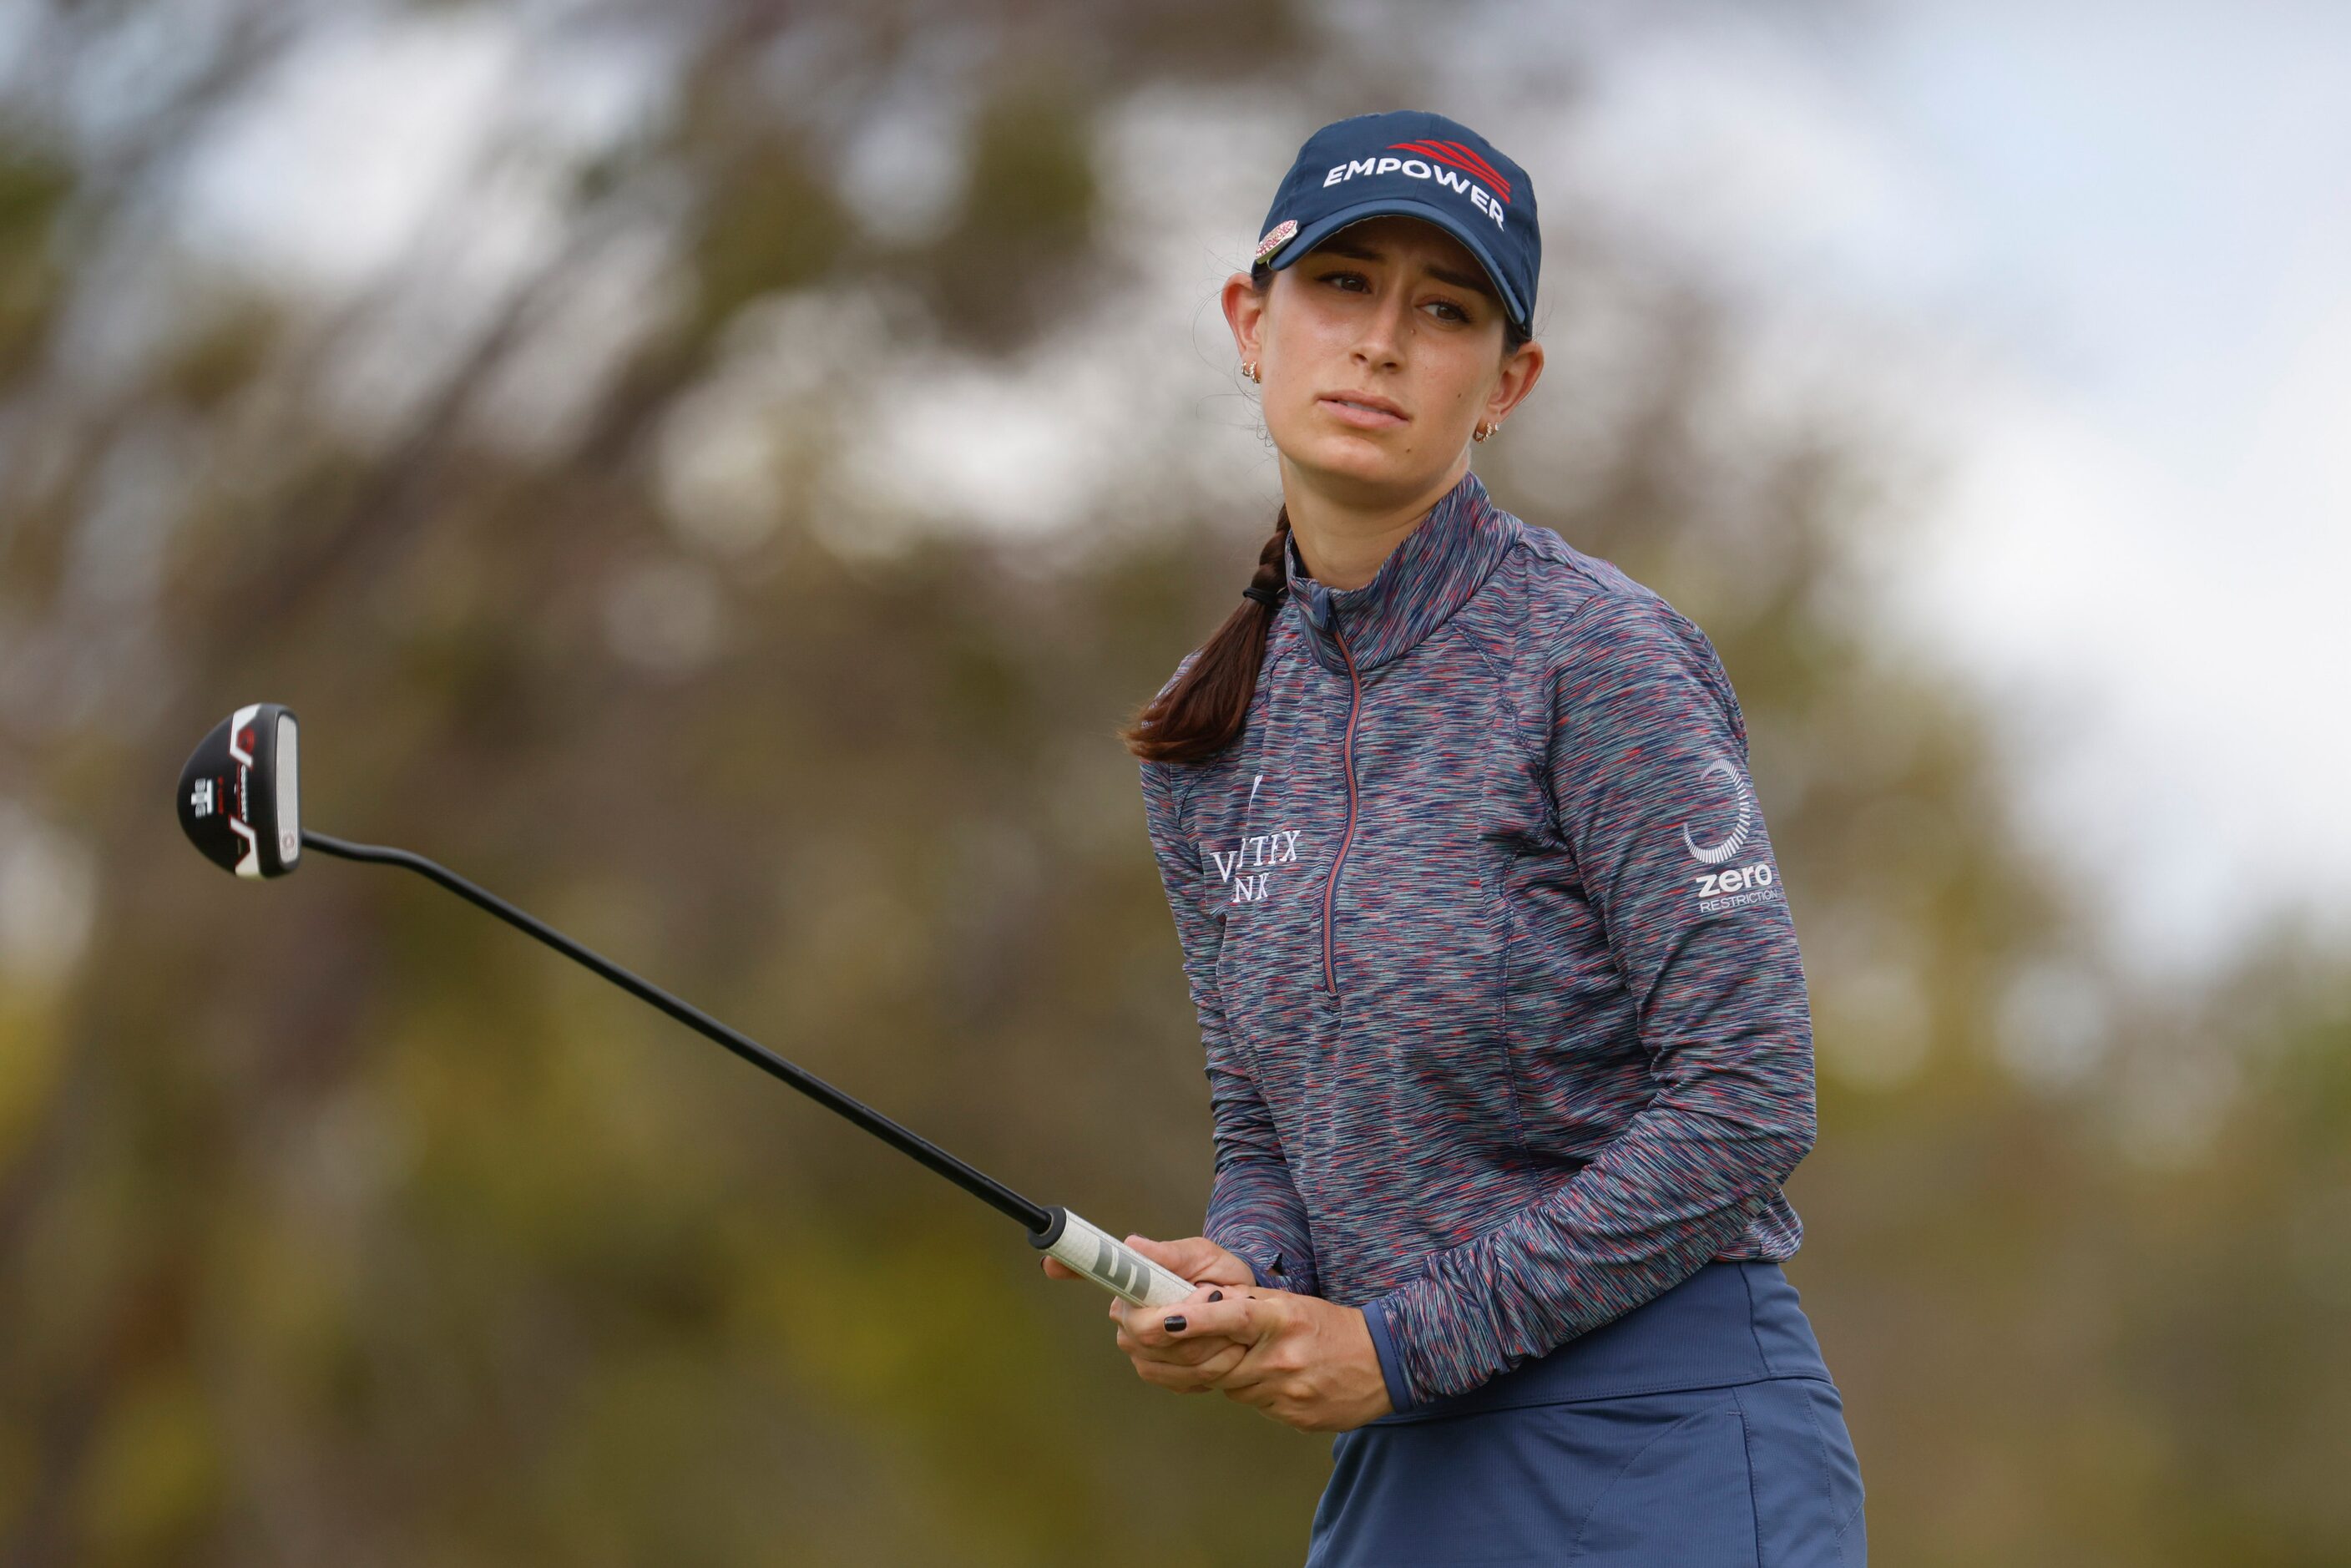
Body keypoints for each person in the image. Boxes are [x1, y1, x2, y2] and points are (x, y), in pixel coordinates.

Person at [1046, 109, 1868, 1565]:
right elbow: (1268, 1133)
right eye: (1343, 285)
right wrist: (1249, 1269)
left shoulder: (1598, 657)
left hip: (1667, 1441)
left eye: (1445, 310)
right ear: (1251, 322)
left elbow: (1749, 1099)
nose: (1380, 342)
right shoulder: (1203, 733)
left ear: (1508, 383)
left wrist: (1405, 1339)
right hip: (1412, 1461)